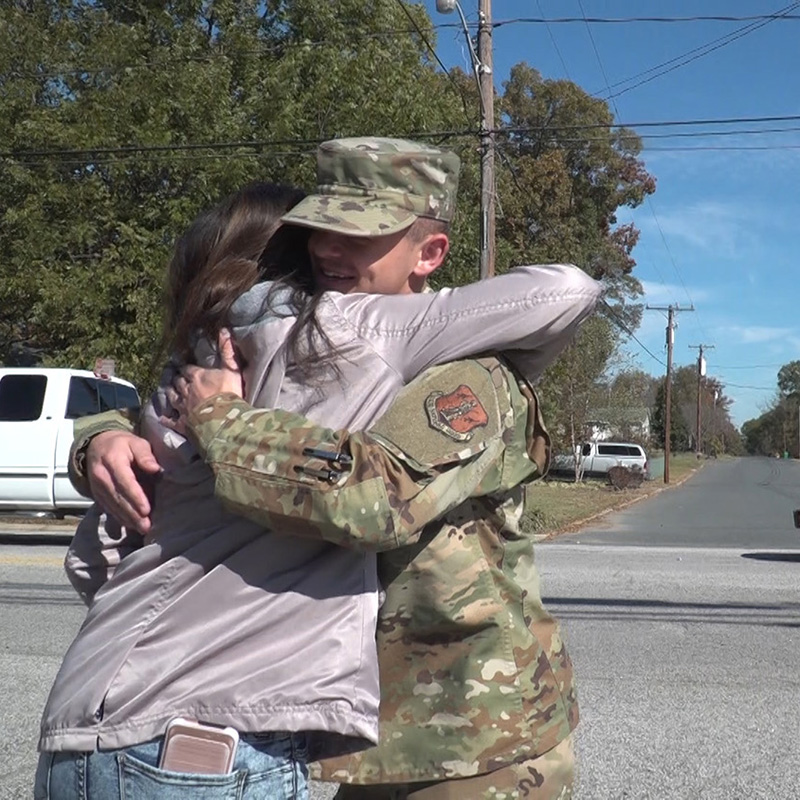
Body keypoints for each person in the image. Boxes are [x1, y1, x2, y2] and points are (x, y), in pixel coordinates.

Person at [38, 138, 602, 800]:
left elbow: (374, 498)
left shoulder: (464, 371)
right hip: (337, 738)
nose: (328, 250)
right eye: (317, 230)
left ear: (430, 254)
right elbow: (143, 492)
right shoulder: (269, 351)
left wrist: (222, 425)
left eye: (358, 236)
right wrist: (100, 436)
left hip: (466, 737)